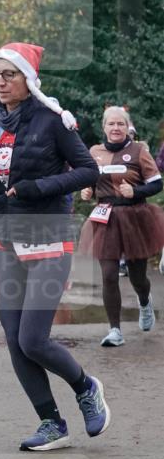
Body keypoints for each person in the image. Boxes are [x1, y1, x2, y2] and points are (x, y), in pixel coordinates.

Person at [0, 41, 109, 451]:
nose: (0, 82)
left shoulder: (52, 121)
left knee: (33, 339)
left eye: (8, 74)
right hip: (7, 237)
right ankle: (52, 423)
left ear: (28, 80)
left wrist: (37, 187)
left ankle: (86, 387)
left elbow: (88, 171)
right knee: (14, 340)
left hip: (49, 232)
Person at [78, 106, 164, 346]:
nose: (116, 128)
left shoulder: (138, 151)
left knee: (138, 277)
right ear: (103, 127)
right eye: (111, 124)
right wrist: (87, 191)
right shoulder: (94, 152)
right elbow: (88, 179)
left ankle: (145, 303)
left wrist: (134, 191)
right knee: (108, 275)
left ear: (128, 128)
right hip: (105, 216)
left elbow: (157, 184)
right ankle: (114, 330)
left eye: (121, 124)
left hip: (135, 216)